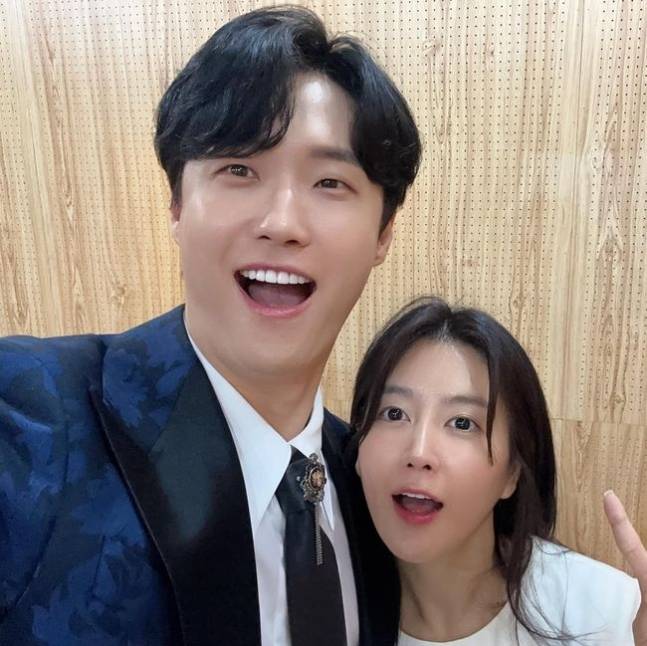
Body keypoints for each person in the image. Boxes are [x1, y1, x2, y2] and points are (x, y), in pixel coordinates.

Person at [0, 7, 421, 645]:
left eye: (330, 181)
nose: (282, 223)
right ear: (176, 204)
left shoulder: (376, 488)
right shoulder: (30, 417)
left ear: (383, 232)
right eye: (239, 170)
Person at [350, 296, 643, 645]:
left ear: (512, 472)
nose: (418, 452)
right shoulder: (323, 606)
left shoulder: (607, 614)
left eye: (462, 422)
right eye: (394, 413)